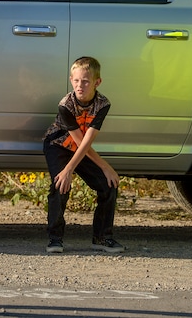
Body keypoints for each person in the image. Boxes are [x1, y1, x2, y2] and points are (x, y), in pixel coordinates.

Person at [43, 56, 124, 254]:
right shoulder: (66, 104)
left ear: (97, 82)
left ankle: (102, 238)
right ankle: (55, 239)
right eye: (77, 81)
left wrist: (105, 168)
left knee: (108, 184)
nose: (80, 86)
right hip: (59, 146)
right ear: (71, 80)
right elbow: (79, 141)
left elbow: (86, 143)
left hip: (82, 148)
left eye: (86, 81)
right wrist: (67, 171)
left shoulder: (103, 104)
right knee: (61, 184)